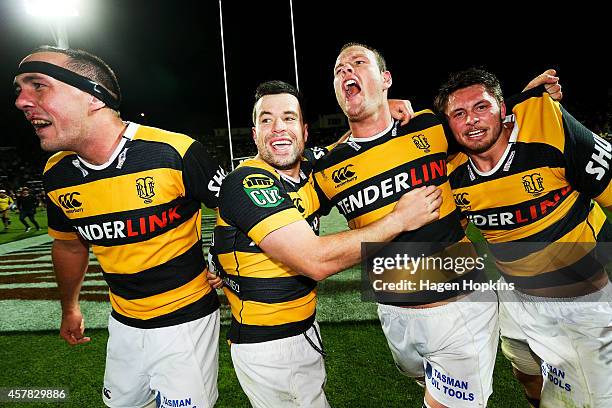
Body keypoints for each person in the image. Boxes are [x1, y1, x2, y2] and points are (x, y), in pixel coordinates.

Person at [313, 43, 559, 408]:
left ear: (385, 80)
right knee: (425, 378)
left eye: (358, 63)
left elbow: (479, 121)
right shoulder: (328, 167)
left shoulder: (430, 125)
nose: (346, 71)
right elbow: (289, 217)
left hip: (462, 308)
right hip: (393, 316)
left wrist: (528, 97)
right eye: (338, 69)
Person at [14, 46, 226, 408]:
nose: (21, 101)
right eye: (19, 89)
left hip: (185, 322)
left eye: (38, 85)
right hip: (123, 322)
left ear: (93, 96)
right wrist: (69, 307)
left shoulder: (174, 151)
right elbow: (69, 245)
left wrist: (221, 257)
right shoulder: (56, 174)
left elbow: (231, 207)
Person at [208, 80, 442, 408]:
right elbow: (314, 261)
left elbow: (340, 149)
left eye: (288, 118)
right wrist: (399, 220)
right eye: (266, 120)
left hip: (303, 330)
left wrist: (378, 109)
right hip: (269, 347)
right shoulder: (247, 181)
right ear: (254, 133)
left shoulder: (308, 172)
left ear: (304, 131)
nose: (278, 128)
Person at [436, 68, 612, 408]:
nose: (471, 120)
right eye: (459, 114)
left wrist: (532, 102)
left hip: (580, 294)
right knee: (524, 367)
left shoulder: (547, 125)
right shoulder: (452, 171)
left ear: (503, 110)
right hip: (515, 292)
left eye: (482, 107)